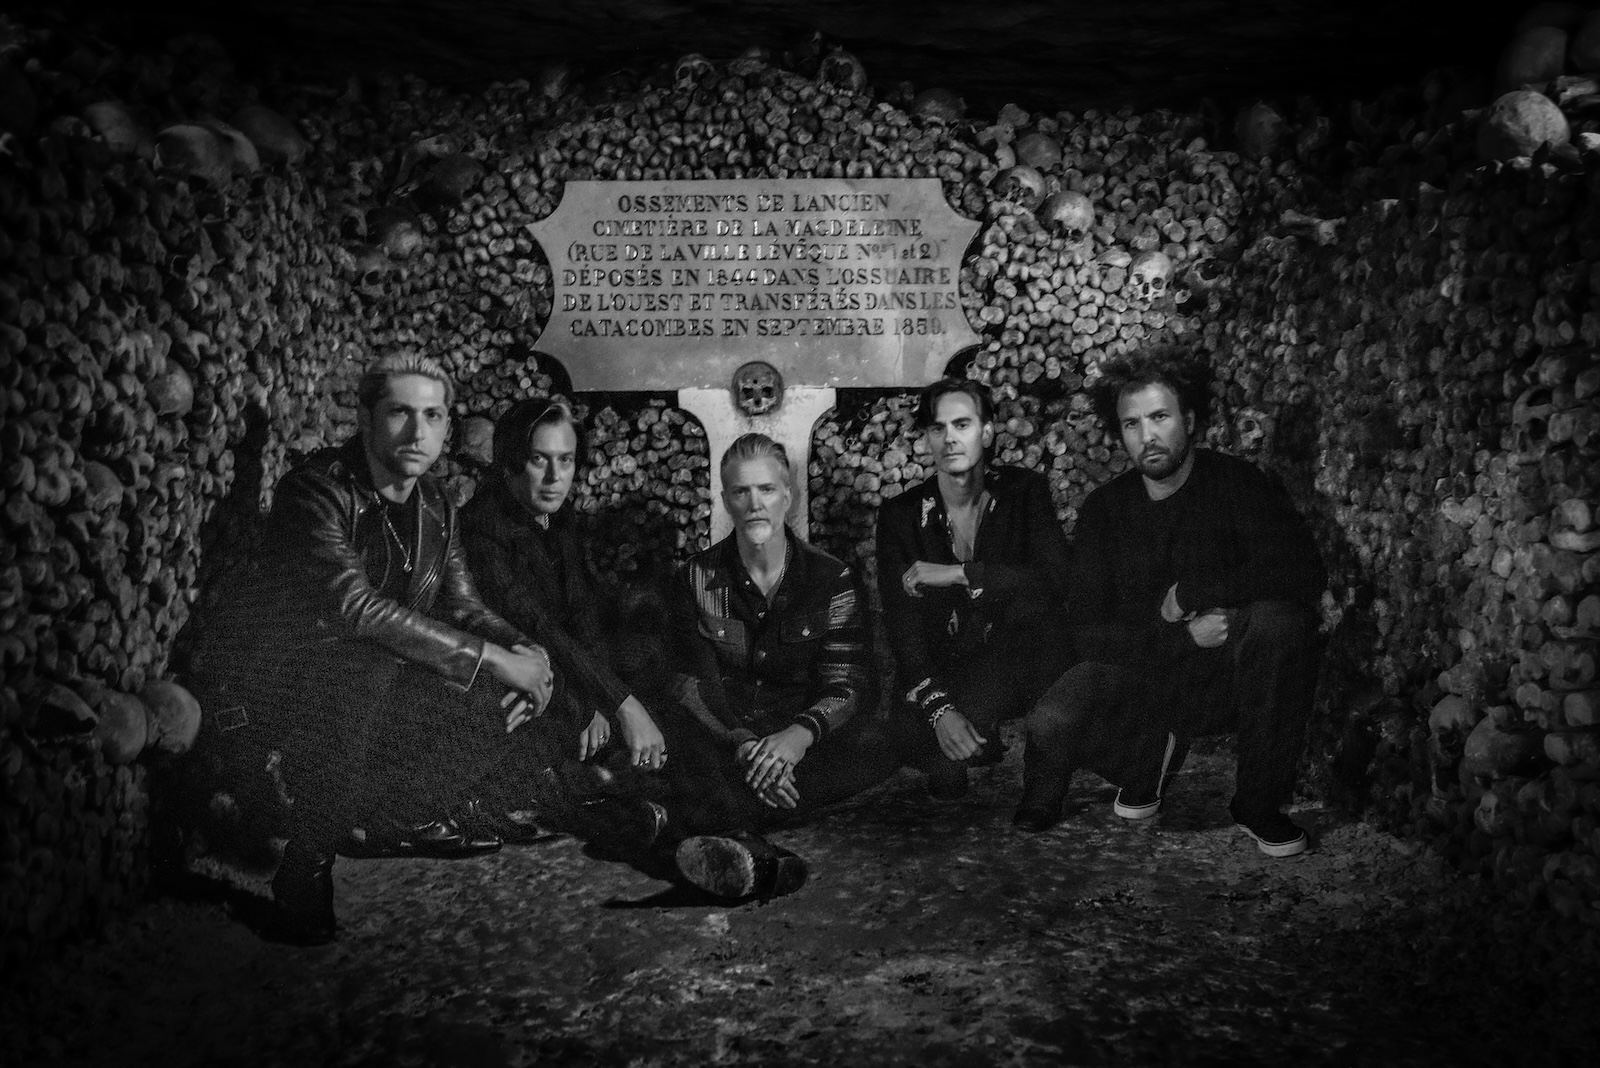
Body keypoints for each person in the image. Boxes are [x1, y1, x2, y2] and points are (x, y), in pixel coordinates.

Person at [190, 353, 559, 944]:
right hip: (294, 687)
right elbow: (353, 609)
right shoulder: (314, 491)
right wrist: (495, 659)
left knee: (502, 694)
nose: (417, 432)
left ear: (447, 426)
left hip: (385, 686)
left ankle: (389, 816)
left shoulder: (436, 502)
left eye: (432, 416)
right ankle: (308, 864)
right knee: (366, 662)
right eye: (399, 413)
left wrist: (526, 651)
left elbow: (462, 604)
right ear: (365, 419)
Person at [1021, 346, 1326, 855]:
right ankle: (1145, 761)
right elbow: (1087, 630)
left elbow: (1300, 569)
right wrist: (1183, 636)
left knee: (1281, 622)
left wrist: (1194, 593)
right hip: (1151, 675)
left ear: (1189, 419)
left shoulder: (1237, 483)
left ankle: (1258, 803)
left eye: (1160, 417)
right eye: (1132, 424)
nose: (1147, 436)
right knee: (1054, 720)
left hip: (1231, 679)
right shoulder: (1105, 510)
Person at [665, 433, 898, 898]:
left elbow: (848, 680)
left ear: (787, 497)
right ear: (726, 500)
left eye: (766, 490)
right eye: (741, 491)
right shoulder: (695, 576)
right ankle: (761, 856)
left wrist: (797, 737)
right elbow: (691, 682)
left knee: (880, 748)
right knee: (684, 745)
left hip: (799, 740)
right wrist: (745, 746)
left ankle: (705, 823)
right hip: (726, 737)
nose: (755, 504)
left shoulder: (831, 578)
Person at [875, 377, 1074, 802]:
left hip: (1016, 656)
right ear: (927, 438)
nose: (949, 438)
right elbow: (901, 624)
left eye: (961, 425)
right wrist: (939, 709)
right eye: (938, 428)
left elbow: (1054, 582)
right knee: (915, 743)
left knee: (1018, 696)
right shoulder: (901, 514)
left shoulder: (1024, 492)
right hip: (949, 663)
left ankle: (1037, 776)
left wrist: (962, 574)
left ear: (985, 432)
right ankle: (963, 738)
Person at [458, 397, 669, 786]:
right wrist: (612, 705)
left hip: (570, 673)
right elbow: (536, 627)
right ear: (510, 462)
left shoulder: (558, 515)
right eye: (539, 459)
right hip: (517, 675)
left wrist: (605, 700)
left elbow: (581, 611)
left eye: (566, 460)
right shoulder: (482, 528)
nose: (555, 477)